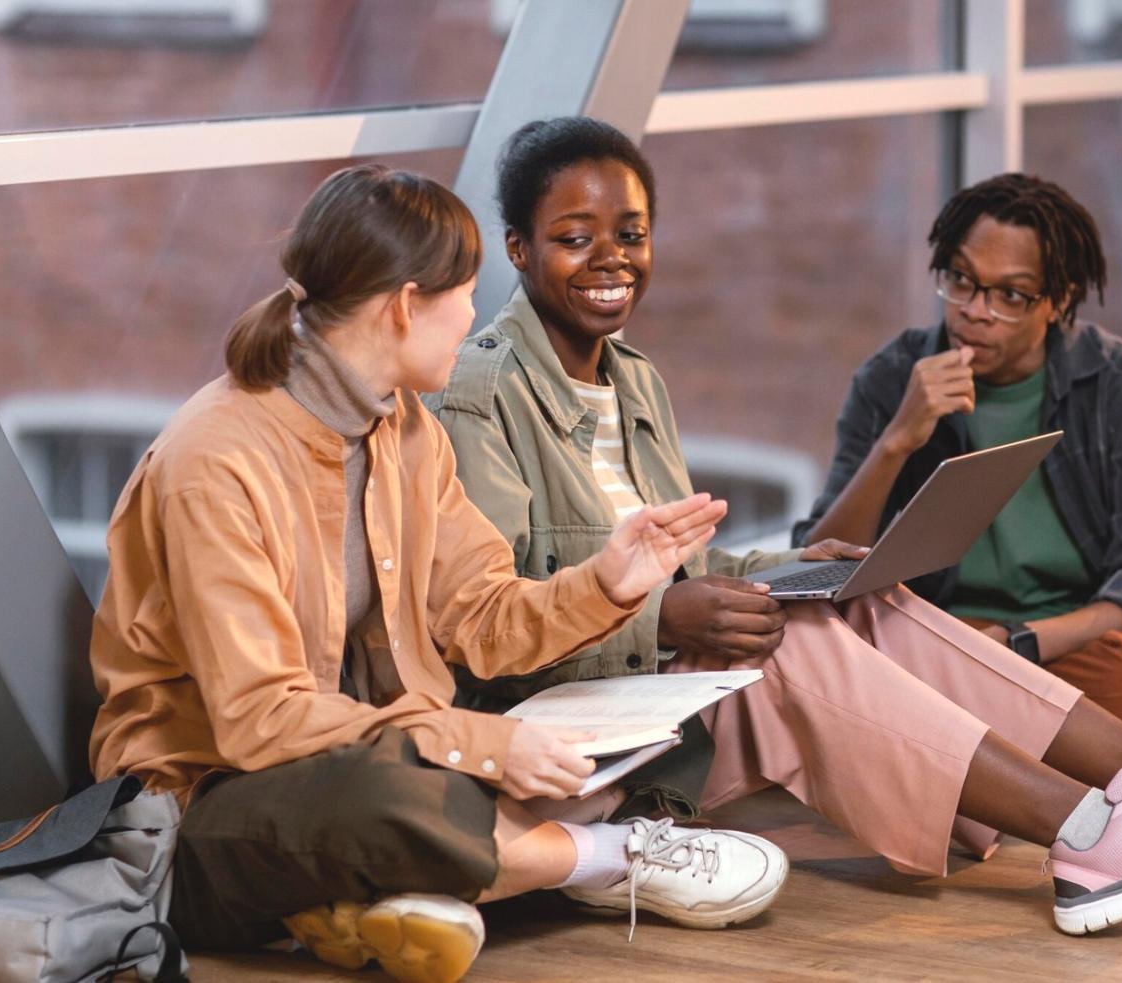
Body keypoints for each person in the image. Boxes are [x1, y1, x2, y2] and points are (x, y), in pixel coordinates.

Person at [431, 116, 1122, 937]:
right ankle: (1097, 834)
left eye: (630, 234)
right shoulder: (480, 392)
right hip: (559, 725)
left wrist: (798, 561)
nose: (611, 259)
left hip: (654, 689)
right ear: (517, 247)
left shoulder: (633, 378)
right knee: (795, 645)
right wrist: (670, 619)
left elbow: (680, 561)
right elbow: (498, 620)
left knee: (864, 595)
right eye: (574, 238)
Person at [86, 164, 791, 983]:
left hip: (367, 749)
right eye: (462, 293)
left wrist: (609, 579)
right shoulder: (217, 460)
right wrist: (482, 746)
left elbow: (484, 615)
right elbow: (260, 721)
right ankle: (605, 857)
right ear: (402, 304)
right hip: (214, 800)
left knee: (650, 739)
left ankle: (398, 890)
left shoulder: (401, 426)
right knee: (394, 799)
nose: (472, 314)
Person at [795, 173, 1122, 747]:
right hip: (931, 647)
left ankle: (952, 760)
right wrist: (896, 443)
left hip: (1060, 647)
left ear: (1057, 302)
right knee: (833, 663)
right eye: (962, 281)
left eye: (1010, 295)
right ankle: (1023, 763)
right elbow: (816, 571)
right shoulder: (891, 380)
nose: (975, 312)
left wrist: (1015, 642)